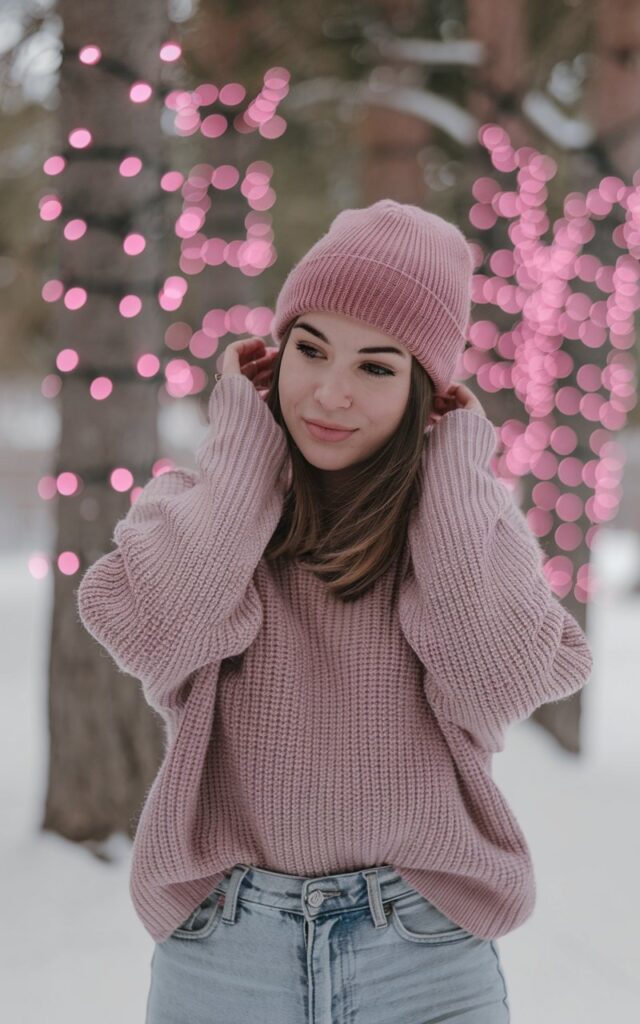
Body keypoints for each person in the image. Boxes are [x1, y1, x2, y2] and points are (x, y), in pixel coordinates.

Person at [76, 199, 593, 1023]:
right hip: (226, 949)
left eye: (377, 368)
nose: (329, 392)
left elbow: (498, 680)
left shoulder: (467, 533)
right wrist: (247, 453)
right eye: (309, 350)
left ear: (430, 394)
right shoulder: (201, 510)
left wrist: (454, 480)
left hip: (423, 950)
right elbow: (159, 629)